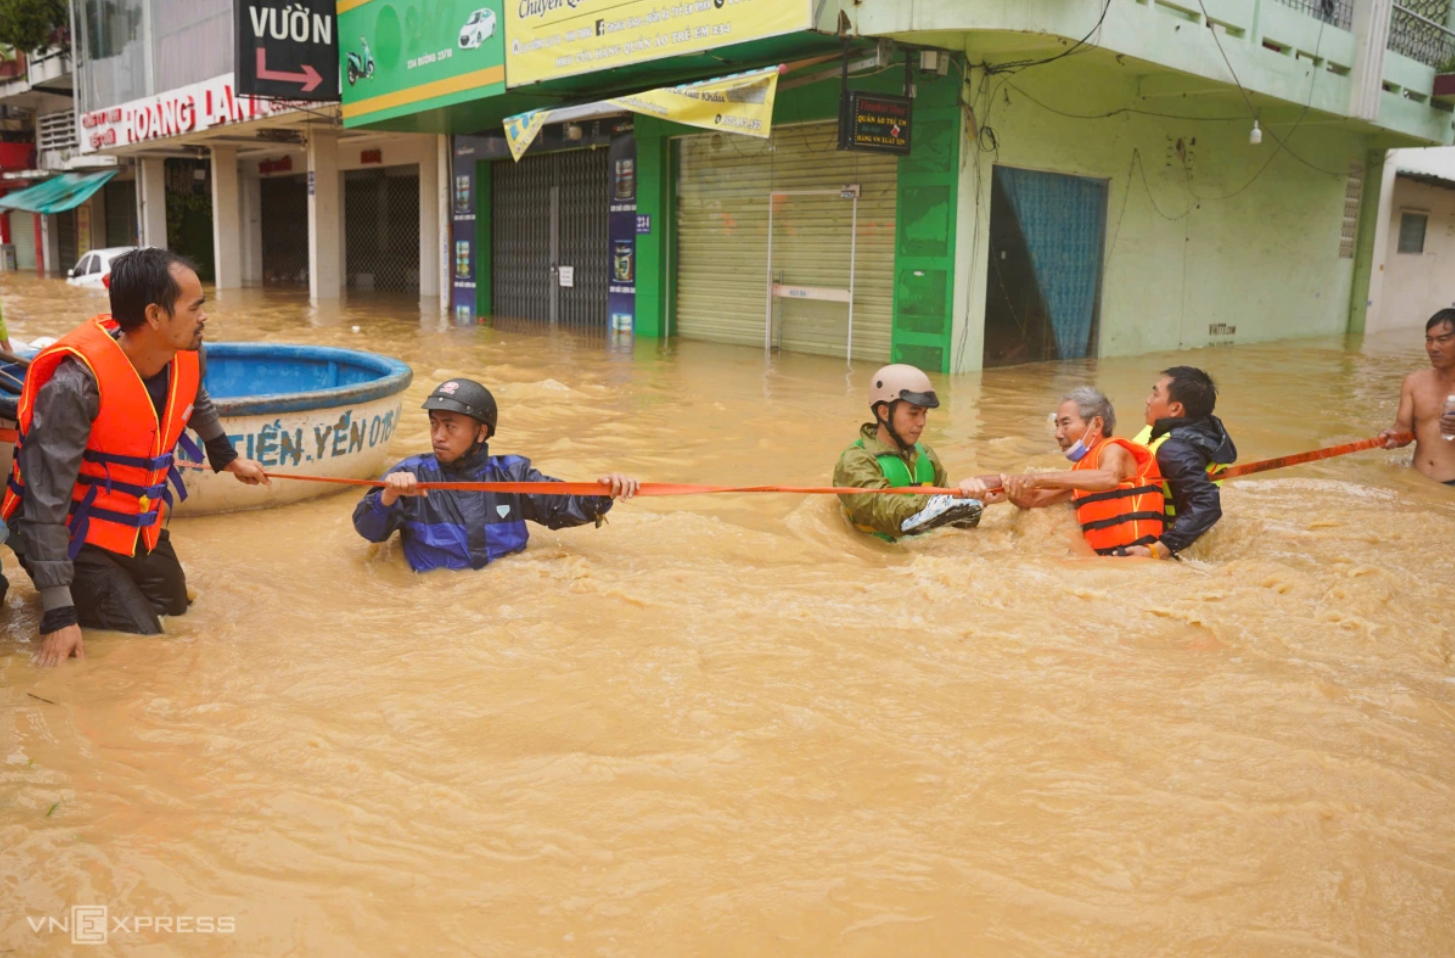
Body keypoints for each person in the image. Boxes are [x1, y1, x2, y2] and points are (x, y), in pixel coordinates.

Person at [3, 248, 269, 667]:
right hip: (71, 533)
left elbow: (194, 397)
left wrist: (229, 458)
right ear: (155, 316)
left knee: (177, 610)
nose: (204, 317)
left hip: (132, 521)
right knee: (147, 642)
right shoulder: (74, 387)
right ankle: (63, 593)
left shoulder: (188, 354)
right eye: (195, 307)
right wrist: (58, 613)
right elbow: (43, 501)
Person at [352, 378, 639, 571]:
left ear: (481, 432)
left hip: (505, 597)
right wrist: (388, 496)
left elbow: (563, 507)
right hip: (435, 604)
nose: (438, 436)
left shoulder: (513, 475)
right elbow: (370, 532)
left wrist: (604, 492)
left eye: (450, 427)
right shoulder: (408, 477)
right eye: (434, 424)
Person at [833, 363, 1001, 541]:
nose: (922, 422)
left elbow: (955, 523)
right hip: (878, 562)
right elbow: (883, 512)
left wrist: (974, 502)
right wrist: (950, 500)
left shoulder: (926, 455)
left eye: (924, 413)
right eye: (913, 413)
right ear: (884, 412)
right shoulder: (856, 460)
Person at [1001, 387, 1165, 556]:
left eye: (1065, 423)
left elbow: (1109, 478)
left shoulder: (1114, 450)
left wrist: (1037, 478)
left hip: (1137, 560)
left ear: (1096, 425)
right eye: (1057, 425)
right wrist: (1011, 490)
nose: (1057, 434)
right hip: (1109, 564)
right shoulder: (1083, 474)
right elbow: (1034, 500)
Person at [1125, 365, 1237, 559]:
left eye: (1155, 395)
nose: (1147, 400)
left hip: (1162, 541)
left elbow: (1206, 504)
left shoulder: (1175, 449)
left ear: (1175, 408)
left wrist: (1158, 550)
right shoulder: (1186, 432)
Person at [1380, 309, 1455, 485]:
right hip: (1417, 480)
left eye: (1443, 340)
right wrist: (1390, 437)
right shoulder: (1414, 382)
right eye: (1429, 340)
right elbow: (1403, 430)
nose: (1433, 347)